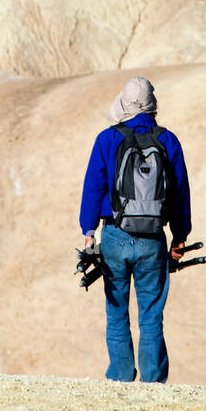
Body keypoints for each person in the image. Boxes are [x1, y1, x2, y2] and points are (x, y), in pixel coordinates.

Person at [79, 76, 191, 383]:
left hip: (114, 235)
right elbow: (180, 192)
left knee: (117, 313)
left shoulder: (106, 139)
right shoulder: (168, 140)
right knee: (151, 315)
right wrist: (180, 237)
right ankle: (153, 382)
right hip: (153, 238)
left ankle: (120, 377)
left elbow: (93, 187)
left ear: (124, 104)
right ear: (153, 106)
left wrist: (88, 231)